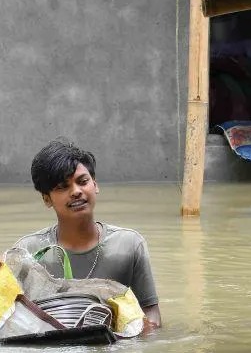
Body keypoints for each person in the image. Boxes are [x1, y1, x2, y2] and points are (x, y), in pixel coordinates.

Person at [14, 139, 162, 330]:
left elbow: (152, 315)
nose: (76, 191)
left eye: (82, 182)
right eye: (62, 187)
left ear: (95, 184)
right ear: (46, 199)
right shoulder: (28, 252)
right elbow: (13, 321)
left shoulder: (129, 245)